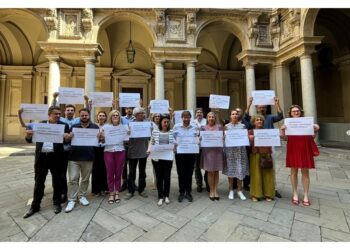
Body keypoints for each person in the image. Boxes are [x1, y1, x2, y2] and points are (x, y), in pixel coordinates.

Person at [23, 106, 70, 218]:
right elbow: (30, 140)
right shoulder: (40, 124)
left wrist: (68, 138)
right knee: (39, 182)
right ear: (49, 114)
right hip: (42, 157)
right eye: (55, 114)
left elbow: (66, 141)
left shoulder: (64, 126)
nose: (58, 116)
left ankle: (56, 203)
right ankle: (35, 206)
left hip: (56, 157)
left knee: (57, 181)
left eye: (59, 114)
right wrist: (28, 136)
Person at [280, 105, 320, 207]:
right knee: (293, 172)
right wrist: (282, 130)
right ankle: (295, 194)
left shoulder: (306, 122)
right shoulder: (288, 123)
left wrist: (315, 129)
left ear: (300, 112)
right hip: (293, 148)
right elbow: (284, 138)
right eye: (293, 111)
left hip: (304, 148)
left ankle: (306, 195)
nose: (296, 113)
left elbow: (313, 137)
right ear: (290, 113)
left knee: (305, 173)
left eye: (297, 111)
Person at [245, 96, 284, 199]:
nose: (262, 109)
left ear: (266, 108)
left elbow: (280, 116)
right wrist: (249, 103)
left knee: (270, 167)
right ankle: (258, 190)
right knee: (256, 170)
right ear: (257, 108)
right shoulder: (254, 118)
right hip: (256, 148)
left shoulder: (270, 117)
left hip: (269, 145)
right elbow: (245, 116)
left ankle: (272, 189)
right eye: (259, 107)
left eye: (264, 107)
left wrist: (277, 103)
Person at [65, 108, 102, 213]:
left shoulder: (95, 127)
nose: (84, 117)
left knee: (85, 179)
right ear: (79, 116)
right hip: (74, 157)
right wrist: (69, 136)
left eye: (86, 115)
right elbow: (67, 140)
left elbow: (100, 141)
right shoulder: (73, 127)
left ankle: (81, 196)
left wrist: (100, 137)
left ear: (89, 116)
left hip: (88, 157)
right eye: (82, 115)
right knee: (73, 179)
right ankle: (72, 199)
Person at [101, 110, 127, 204]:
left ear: (119, 117)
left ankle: (117, 192)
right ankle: (111, 192)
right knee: (110, 172)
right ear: (110, 117)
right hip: (108, 151)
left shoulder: (123, 127)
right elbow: (102, 142)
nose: (115, 116)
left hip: (120, 151)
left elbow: (126, 140)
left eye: (117, 115)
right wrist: (101, 137)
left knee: (119, 172)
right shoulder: (105, 127)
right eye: (113, 115)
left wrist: (129, 134)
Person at [147, 115, 174, 206]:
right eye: (164, 122)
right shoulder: (155, 132)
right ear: (161, 123)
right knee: (159, 177)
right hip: (157, 158)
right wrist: (149, 149)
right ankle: (160, 196)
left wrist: (175, 147)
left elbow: (174, 143)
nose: (166, 124)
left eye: (167, 122)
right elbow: (151, 142)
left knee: (167, 177)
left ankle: (166, 196)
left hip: (168, 158)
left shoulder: (171, 132)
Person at [173, 111, 199, 202]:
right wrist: (175, 145)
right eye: (184, 117)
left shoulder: (195, 127)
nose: (186, 119)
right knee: (181, 173)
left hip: (191, 153)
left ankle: (188, 192)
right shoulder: (176, 127)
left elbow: (197, 139)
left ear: (190, 118)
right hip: (180, 153)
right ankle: (181, 192)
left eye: (188, 117)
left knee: (189, 173)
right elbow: (172, 138)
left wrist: (198, 141)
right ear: (182, 118)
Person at [223, 109, 249, 201]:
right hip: (230, 152)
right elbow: (224, 138)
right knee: (231, 171)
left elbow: (246, 138)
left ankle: (239, 190)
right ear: (230, 116)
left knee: (240, 170)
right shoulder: (226, 126)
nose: (234, 115)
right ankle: (231, 190)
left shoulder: (243, 126)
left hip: (240, 151)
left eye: (236, 114)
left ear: (238, 116)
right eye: (232, 114)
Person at [125, 107, 150, 200]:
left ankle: (141, 189)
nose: (143, 115)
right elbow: (126, 138)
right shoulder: (130, 124)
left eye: (143, 113)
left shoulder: (146, 123)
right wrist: (128, 133)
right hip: (133, 151)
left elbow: (150, 136)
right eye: (141, 113)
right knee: (131, 172)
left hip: (143, 151)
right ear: (136, 115)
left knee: (142, 172)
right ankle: (130, 191)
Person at [248, 115, 275, 202]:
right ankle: (256, 194)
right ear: (254, 122)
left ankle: (268, 194)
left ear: (263, 122)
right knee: (256, 175)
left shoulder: (267, 131)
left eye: (260, 120)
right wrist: (249, 139)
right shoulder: (250, 132)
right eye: (257, 120)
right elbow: (245, 142)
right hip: (255, 154)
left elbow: (274, 139)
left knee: (268, 175)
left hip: (266, 154)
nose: (259, 121)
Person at [199, 112, 224, 201]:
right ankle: (211, 190)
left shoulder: (219, 127)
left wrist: (223, 138)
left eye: (213, 117)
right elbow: (200, 138)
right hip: (208, 152)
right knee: (210, 172)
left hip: (217, 151)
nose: (211, 118)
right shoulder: (203, 128)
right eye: (209, 116)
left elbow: (223, 137)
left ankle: (215, 190)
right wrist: (200, 139)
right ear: (207, 118)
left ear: (215, 118)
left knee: (216, 171)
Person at [91, 111, 109, 196]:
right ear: (97, 117)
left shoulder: (108, 126)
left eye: (103, 116)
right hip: (96, 149)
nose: (101, 117)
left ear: (105, 117)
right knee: (95, 169)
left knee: (105, 169)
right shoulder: (94, 126)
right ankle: (96, 190)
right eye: (100, 116)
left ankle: (105, 188)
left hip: (105, 148)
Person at [193, 108, 209, 193]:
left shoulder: (206, 121)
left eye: (200, 112)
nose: (199, 114)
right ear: (195, 114)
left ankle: (208, 183)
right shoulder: (193, 122)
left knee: (207, 166)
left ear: (203, 113)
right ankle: (199, 184)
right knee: (197, 167)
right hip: (196, 147)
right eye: (198, 112)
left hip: (205, 147)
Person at [120, 107, 135, 192]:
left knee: (132, 165)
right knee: (124, 165)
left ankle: (132, 182)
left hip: (133, 144)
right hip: (124, 144)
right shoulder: (122, 119)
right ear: (125, 110)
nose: (129, 110)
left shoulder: (136, 119)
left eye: (130, 109)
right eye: (127, 109)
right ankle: (124, 182)